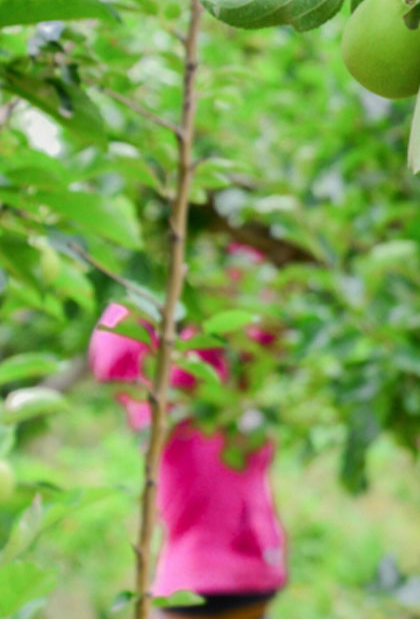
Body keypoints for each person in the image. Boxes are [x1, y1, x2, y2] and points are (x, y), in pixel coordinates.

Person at [88, 244, 287, 619]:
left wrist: (230, 248)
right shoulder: (166, 400)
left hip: (227, 572)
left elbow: (266, 328)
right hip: (220, 573)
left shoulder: (217, 389)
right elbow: (116, 347)